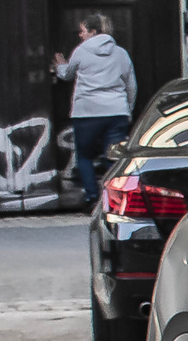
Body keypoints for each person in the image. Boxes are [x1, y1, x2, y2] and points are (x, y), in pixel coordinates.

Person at [54, 14, 137, 206]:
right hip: (116, 112)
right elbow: (131, 85)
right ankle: (115, 200)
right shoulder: (120, 53)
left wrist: (60, 66)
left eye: (82, 31)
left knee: (84, 156)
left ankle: (92, 197)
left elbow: (67, 75)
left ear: (93, 32)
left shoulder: (81, 51)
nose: (80, 35)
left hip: (87, 113)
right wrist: (128, 110)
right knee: (114, 157)